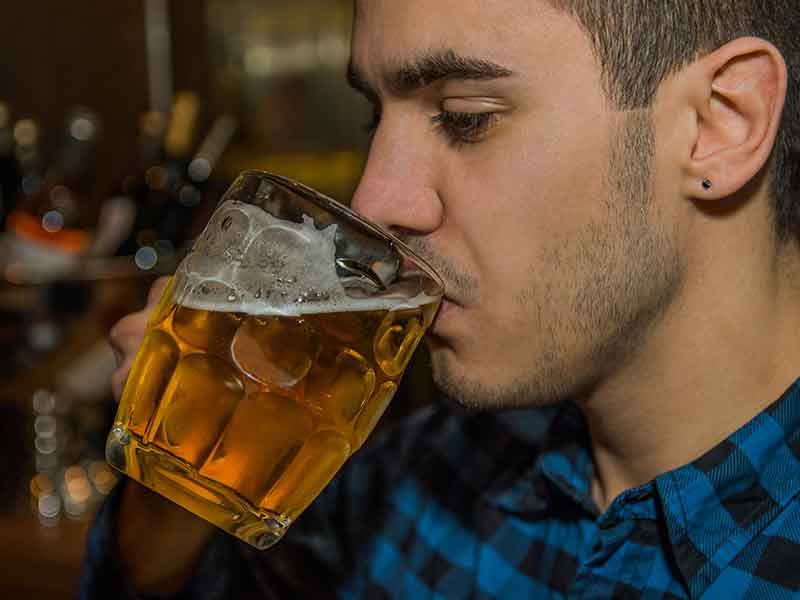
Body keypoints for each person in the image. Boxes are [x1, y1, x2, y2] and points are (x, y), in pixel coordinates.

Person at [80, 0, 800, 598]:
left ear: (719, 123)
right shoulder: (420, 479)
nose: (374, 200)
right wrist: (184, 464)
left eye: (466, 116)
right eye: (375, 119)